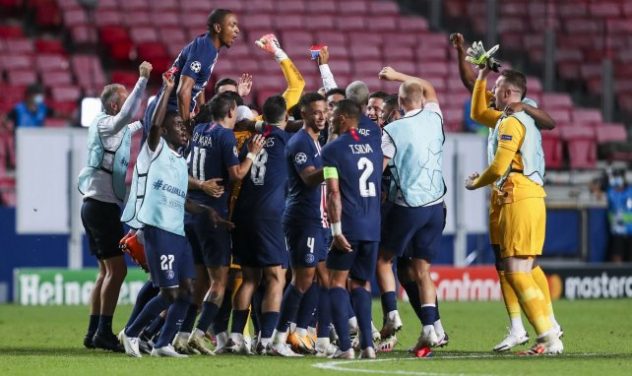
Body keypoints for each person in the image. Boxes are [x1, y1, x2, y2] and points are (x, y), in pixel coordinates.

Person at [450, 32, 562, 352]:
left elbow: (550, 121)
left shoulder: (520, 115)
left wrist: (519, 103)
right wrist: (476, 62)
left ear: (511, 94)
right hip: (505, 192)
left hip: (521, 188)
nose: (491, 94)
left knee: (519, 267)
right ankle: (525, 328)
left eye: (497, 91)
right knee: (510, 265)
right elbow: (473, 93)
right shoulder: (501, 116)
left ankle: (547, 330)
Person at [77, 61, 152, 352]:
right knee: (117, 271)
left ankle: (93, 331)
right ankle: (104, 332)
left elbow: (136, 122)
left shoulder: (108, 127)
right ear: (112, 104)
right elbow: (127, 118)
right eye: (122, 100)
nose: (126, 106)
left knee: (105, 272)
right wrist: (142, 81)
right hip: (102, 205)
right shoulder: (106, 122)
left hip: (95, 204)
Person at [120, 71, 195, 358]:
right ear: (163, 130)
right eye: (176, 124)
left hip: (178, 232)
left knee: (188, 289)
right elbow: (153, 127)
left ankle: (163, 343)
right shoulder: (155, 148)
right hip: (159, 230)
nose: (183, 128)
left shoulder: (179, 159)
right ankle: (131, 333)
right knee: (169, 293)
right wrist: (167, 91)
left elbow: (184, 198)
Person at [185, 92, 265, 354]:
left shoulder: (198, 130)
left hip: (191, 214)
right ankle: (198, 333)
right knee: (219, 283)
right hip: (214, 217)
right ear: (232, 111)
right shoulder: (224, 136)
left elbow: (182, 170)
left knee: (201, 284)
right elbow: (236, 173)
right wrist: (252, 153)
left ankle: (183, 334)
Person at [377, 66, 447, 351]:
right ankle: (431, 329)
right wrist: (398, 76)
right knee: (422, 270)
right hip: (436, 208)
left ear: (400, 102)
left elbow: (379, 169)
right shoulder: (435, 118)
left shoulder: (392, 130)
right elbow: (428, 86)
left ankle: (391, 315)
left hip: (408, 207)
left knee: (383, 260)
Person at [230, 95, 291, 354]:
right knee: (276, 276)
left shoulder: (253, 140)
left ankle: (235, 337)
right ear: (285, 117)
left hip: (244, 212)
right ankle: (266, 339)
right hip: (269, 215)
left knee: (250, 278)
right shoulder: (289, 142)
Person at [323, 99, 383, 359]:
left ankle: (346, 347)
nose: (330, 118)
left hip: (348, 226)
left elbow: (334, 193)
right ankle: (368, 346)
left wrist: (336, 230)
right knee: (361, 283)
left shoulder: (332, 150)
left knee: (336, 282)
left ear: (346, 117)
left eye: (334, 115)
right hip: (372, 226)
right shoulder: (374, 146)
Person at [270, 92, 328, 357]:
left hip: (316, 219)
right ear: (303, 113)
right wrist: (335, 165)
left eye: (325, 111)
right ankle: (279, 339)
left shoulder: (316, 143)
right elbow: (308, 178)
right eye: (316, 111)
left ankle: (310, 333)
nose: (322, 116)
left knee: (322, 278)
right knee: (302, 280)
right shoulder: (300, 142)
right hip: (302, 219)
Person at [142, 8, 239, 142]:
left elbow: (198, 83)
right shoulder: (204, 50)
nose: (237, 30)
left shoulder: (208, 46)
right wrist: (187, 127)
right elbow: (183, 92)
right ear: (218, 27)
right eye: (232, 25)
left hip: (166, 111)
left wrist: (203, 109)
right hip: (168, 117)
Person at [606, 169, 632, 262]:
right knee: (616, 257)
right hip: (617, 232)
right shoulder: (610, 192)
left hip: (631, 232)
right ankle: (617, 275)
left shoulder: (630, 191)